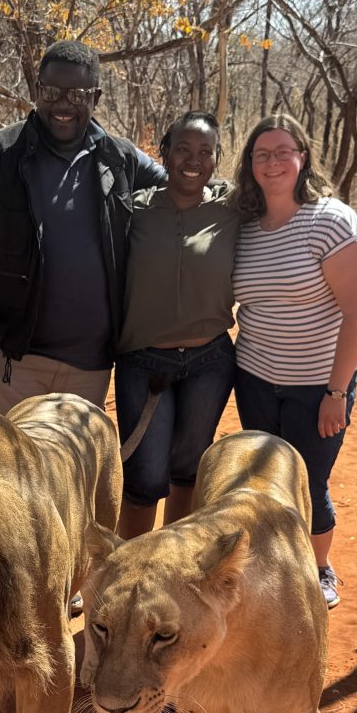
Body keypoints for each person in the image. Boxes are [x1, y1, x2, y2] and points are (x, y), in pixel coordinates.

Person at [0, 39, 166, 417]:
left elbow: (180, 187)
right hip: (13, 364)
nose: (63, 104)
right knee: (2, 475)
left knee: (69, 478)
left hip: (90, 370)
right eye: (52, 92)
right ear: (37, 91)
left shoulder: (120, 157)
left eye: (77, 95)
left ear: (96, 96)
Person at [231, 112, 357, 609]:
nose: (272, 163)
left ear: (303, 157)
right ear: (250, 163)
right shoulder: (245, 224)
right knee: (269, 478)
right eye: (262, 154)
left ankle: (319, 568)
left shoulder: (331, 220)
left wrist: (336, 393)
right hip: (253, 376)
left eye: (282, 152)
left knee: (309, 479)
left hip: (318, 383)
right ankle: (275, 566)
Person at [115, 111, 240, 539]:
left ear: (216, 158)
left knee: (187, 472)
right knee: (145, 479)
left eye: (205, 152)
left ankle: (170, 567)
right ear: (164, 154)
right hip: (144, 361)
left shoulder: (233, 208)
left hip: (211, 361)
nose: (193, 159)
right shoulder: (135, 211)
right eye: (183, 149)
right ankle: (126, 571)